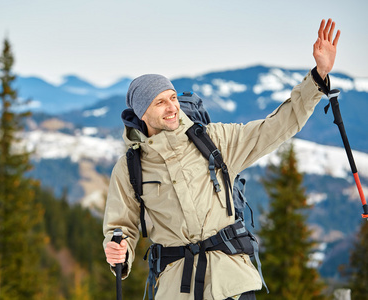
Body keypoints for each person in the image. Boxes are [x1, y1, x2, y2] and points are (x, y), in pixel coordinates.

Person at [103, 19, 340, 300]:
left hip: (232, 284)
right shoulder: (130, 167)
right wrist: (120, 249)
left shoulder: (214, 140)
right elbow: (121, 226)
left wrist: (318, 78)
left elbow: (276, 127)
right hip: (176, 290)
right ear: (142, 113)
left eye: (172, 98)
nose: (172, 107)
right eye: (160, 102)